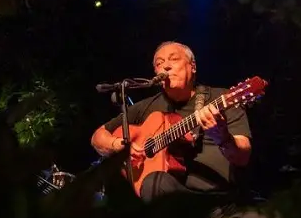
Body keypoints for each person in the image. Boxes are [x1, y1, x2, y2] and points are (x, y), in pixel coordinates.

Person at [90, 41, 253, 203]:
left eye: (174, 59)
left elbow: (243, 157)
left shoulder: (222, 99)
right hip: (170, 195)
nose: (166, 66)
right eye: (159, 63)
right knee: (153, 184)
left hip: (215, 198)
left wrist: (222, 137)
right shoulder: (145, 107)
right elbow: (98, 136)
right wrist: (118, 145)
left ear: (193, 66)